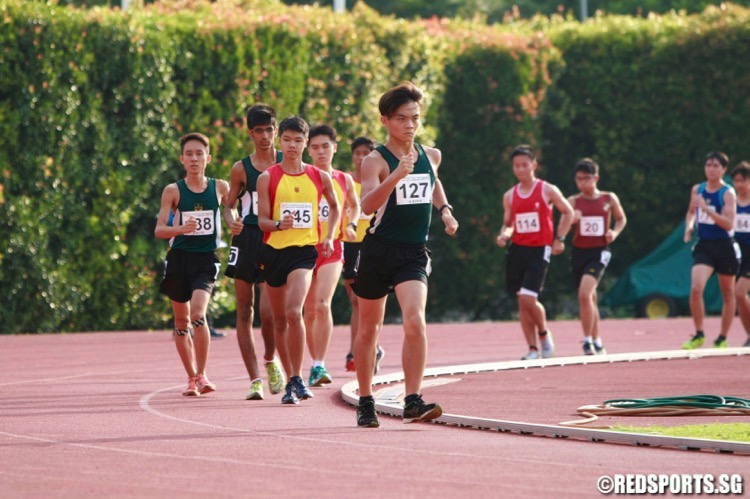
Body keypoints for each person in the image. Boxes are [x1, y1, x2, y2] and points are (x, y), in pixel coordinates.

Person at [353, 82, 459, 428]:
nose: (410, 125)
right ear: (386, 121)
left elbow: (433, 181)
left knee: (415, 320)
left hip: (413, 252)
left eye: (414, 117)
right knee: (370, 329)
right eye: (401, 119)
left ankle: (413, 400)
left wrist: (444, 209)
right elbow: (366, 206)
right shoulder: (374, 161)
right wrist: (396, 176)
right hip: (377, 251)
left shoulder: (432, 155)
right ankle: (366, 401)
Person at [256, 115, 341, 404]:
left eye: (298, 140)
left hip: (304, 252)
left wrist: (329, 235)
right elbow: (263, 220)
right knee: (280, 321)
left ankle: (297, 379)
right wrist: (280, 224)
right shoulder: (268, 177)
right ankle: (292, 375)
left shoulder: (319, 176)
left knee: (295, 312)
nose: (292, 145)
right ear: (280, 141)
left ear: (305, 143)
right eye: (287, 140)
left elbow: (336, 206)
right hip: (274, 252)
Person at [155, 132, 240, 396]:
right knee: (181, 322)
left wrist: (232, 220)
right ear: (182, 159)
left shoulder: (220, 187)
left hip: (205, 259)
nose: (194, 158)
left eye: (199, 153)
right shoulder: (173, 191)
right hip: (179, 260)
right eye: (189, 154)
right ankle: (191, 377)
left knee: (198, 315)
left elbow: (228, 209)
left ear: (208, 158)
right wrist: (179, 228)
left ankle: (203, 375)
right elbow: (159, 229)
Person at [224, 104, 286, 401]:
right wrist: (231, 222)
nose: (265, 136)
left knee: (269, 311)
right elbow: (227, 204)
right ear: (250, 133)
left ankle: (271, 360)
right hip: (246, 237)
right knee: (245, 308)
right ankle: (254, 380)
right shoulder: (241, 168)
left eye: (269, 130)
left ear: (276, 130)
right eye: (258, 131)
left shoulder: (288, 162)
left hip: (274, 237)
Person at [496, 145, 573, 361]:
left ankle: (544, 334)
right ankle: (532, 349)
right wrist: (504, 235)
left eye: (524, 165)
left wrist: (560, 238)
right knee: (522, 300)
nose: (520, 169)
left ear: (534, 165)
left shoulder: (547, 189)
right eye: (516, 166)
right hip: (517, 250)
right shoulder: (509, 196)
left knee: (529, 298)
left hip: (540, 249)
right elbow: (508, 224)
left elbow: (568, 211)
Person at [304, 124, 361, 387]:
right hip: (303, 247)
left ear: (335, 148)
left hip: (332, 247)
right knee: (309, 311)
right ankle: (312, 361)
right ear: (308, 150)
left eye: (325, 146)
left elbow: (354, 206)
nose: (321, 152)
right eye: (315, 147)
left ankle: (319, 364)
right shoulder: (301, 177)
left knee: (322, 304)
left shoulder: (344, 179)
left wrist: (350, 224)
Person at [567, 158, 627, 355]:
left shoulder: (608, 199)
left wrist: (615, 233)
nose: (582, 182)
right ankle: (597, 339)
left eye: (586, 178)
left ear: (596, 178)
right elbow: (562, 227)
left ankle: (586, 341)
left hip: (600, 252)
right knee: (588, 298)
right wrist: (571, 220)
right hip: (579, 252)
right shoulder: (573, 202)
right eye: (578, 179)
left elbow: (621, 219)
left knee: (585, 293)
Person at [683, 151, 737, 350]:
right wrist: (689, 226)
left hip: (725, 246)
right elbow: (690, 212)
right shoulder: (697, 189)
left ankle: (722, 337)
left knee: (728, 293)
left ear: (723, 169)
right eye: (708, 165)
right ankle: (699, 333)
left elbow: (728, 224)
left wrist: (707, 210)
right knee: (696, 288)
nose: (711, 169)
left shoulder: (728, 193)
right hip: (704, 245)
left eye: (716, 166)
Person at [342, 137, 384, 373]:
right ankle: (357, 350)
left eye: (365, 153)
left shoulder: (379, 181)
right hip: (349, 245)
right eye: (357, 153)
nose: (360, 157)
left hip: (371, 243)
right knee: (355, 302)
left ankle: (366, 348)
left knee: (365, 301)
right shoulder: (346, 182)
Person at [731, 161, 750, 348]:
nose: (738, 185)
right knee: (738, 296)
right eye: (736, 181)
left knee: (740, 291)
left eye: (742, 181)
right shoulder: (731, 202)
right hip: (737, 252)